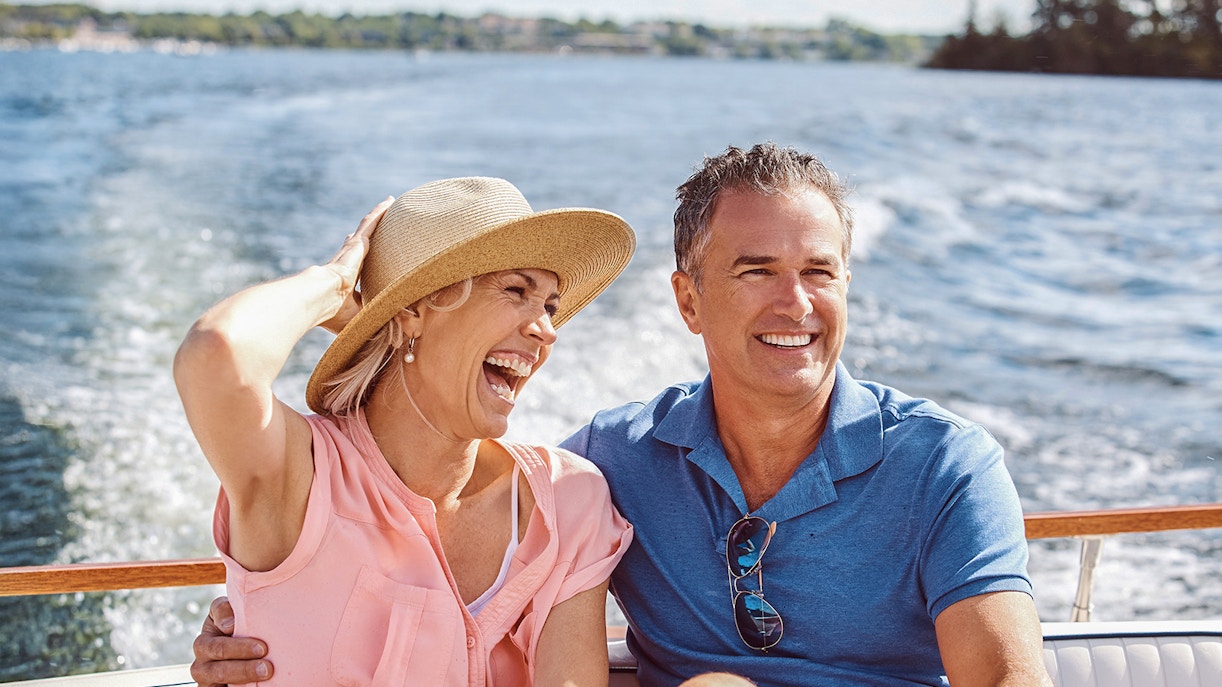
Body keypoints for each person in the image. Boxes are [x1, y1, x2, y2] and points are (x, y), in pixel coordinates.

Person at [190, 145, 1052, 687]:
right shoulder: (609, 466)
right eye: (756, 269)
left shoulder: (945, 464)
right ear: (688, 299)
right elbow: (228, 369)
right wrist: (345, 286)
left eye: (821, 271)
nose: (797, 302)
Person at [174, 176, 636, 686]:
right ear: (415, 310)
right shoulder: (299, 477)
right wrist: (332, 287)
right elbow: (216, 354)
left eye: (549, 306)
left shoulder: (569, 499)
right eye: (515, 291)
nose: (547, 329)